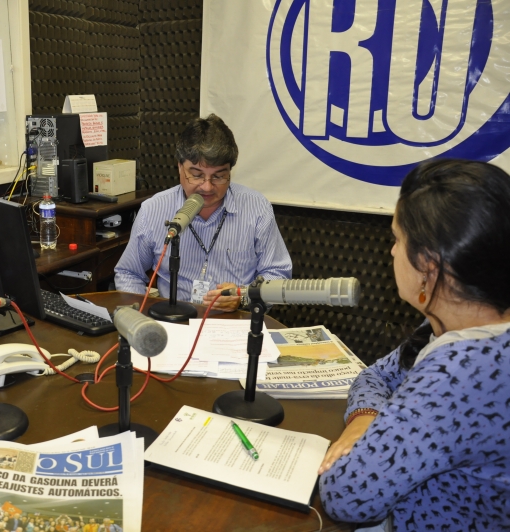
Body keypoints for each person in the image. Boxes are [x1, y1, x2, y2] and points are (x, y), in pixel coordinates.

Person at [317, 159, 510, 530]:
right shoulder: (457, 318)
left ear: (428, 266)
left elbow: (346, 495)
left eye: (397, 239)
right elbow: (376, 376)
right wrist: (364, 419)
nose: (391, 252)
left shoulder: (459, 372)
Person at [114, 114, 291, 311]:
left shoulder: (256, 208)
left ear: (230, 172)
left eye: (218, 176)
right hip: (175, 320)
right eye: (197, 175)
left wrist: (244, 297)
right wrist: (141, 318)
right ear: (180, 167)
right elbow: (128, 273)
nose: (207, 187)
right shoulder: (153, 210)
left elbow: (278, 274)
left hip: (235, 320)